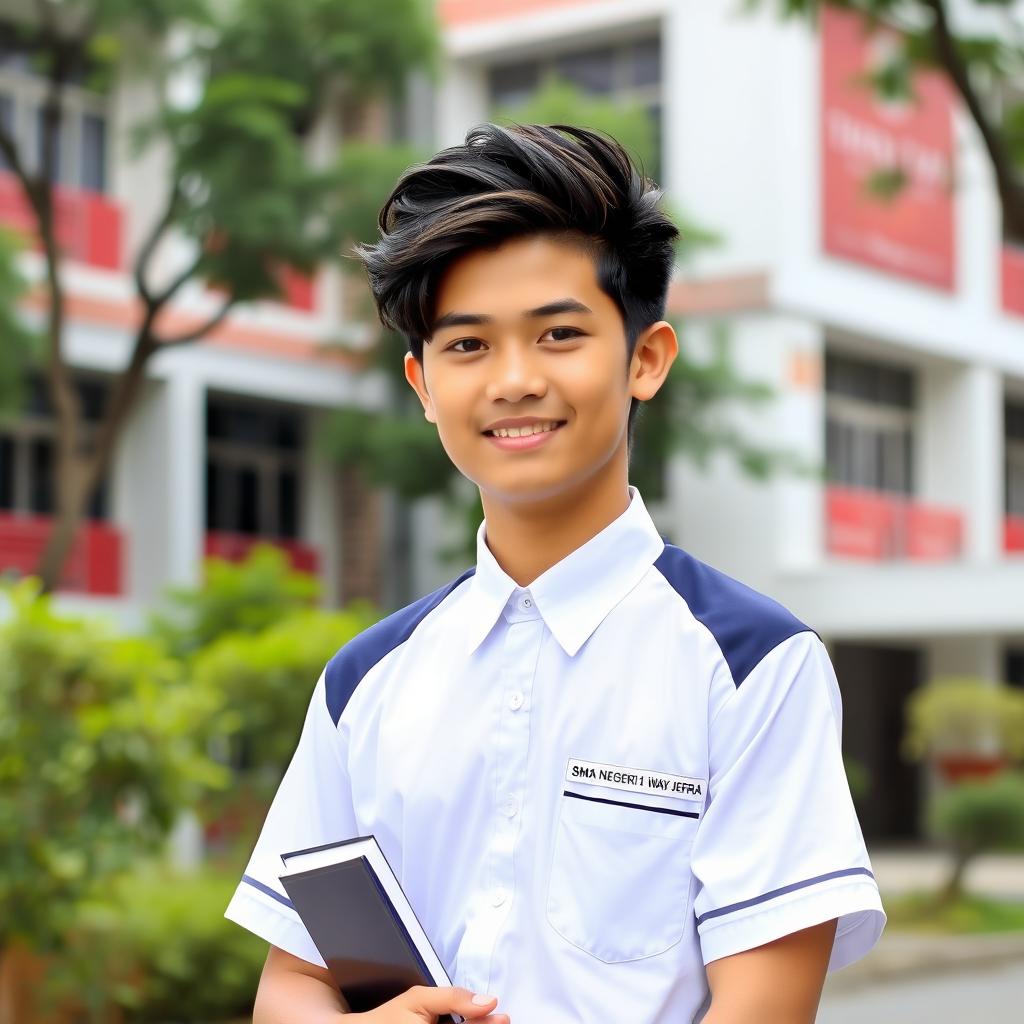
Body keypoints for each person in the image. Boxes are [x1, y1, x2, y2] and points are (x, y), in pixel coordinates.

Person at [225, 122, 885, 1024]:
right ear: (422, 386)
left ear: (644, 360)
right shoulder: (363, 683)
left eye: (559, 334)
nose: (514, 380)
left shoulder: (752, 666)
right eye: (467, 346)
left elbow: (763, 1007)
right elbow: (293, 982)